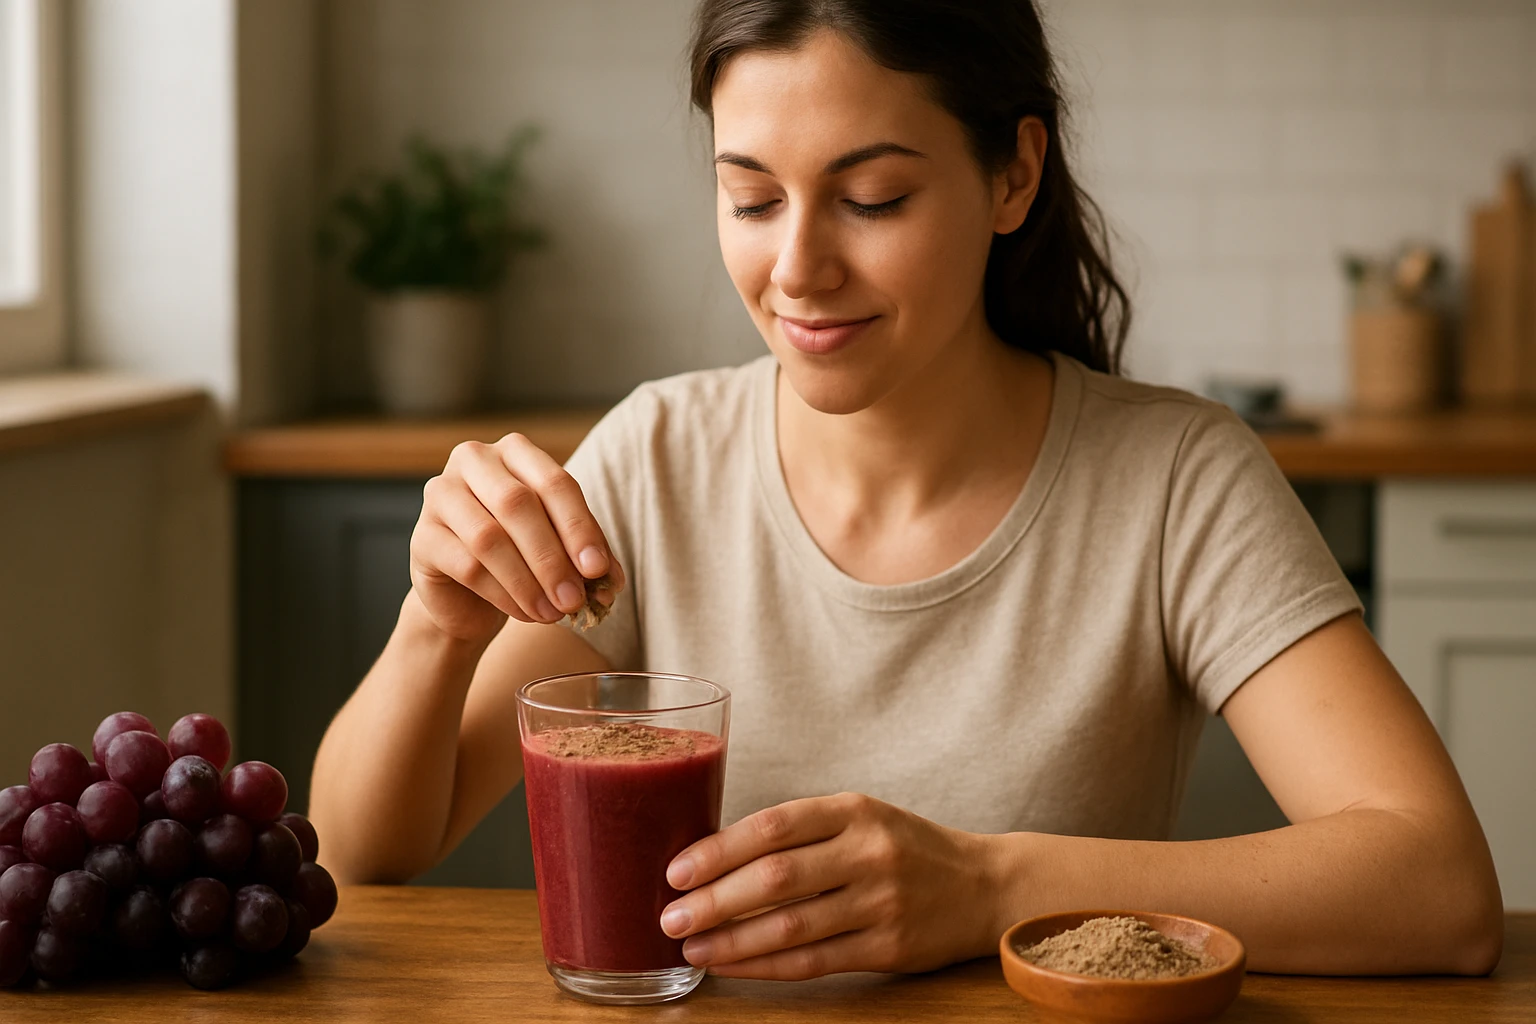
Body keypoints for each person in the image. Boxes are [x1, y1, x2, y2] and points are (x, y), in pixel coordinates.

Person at [309, 0, 1503, 980]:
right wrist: (435, 624)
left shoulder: (1175, 482)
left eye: (872, 198)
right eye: (751, 197)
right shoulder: (654, 460)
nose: (798, 270)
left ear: (1013, 176)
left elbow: (1437, 887)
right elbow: (366, 853)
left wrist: (990, 885)